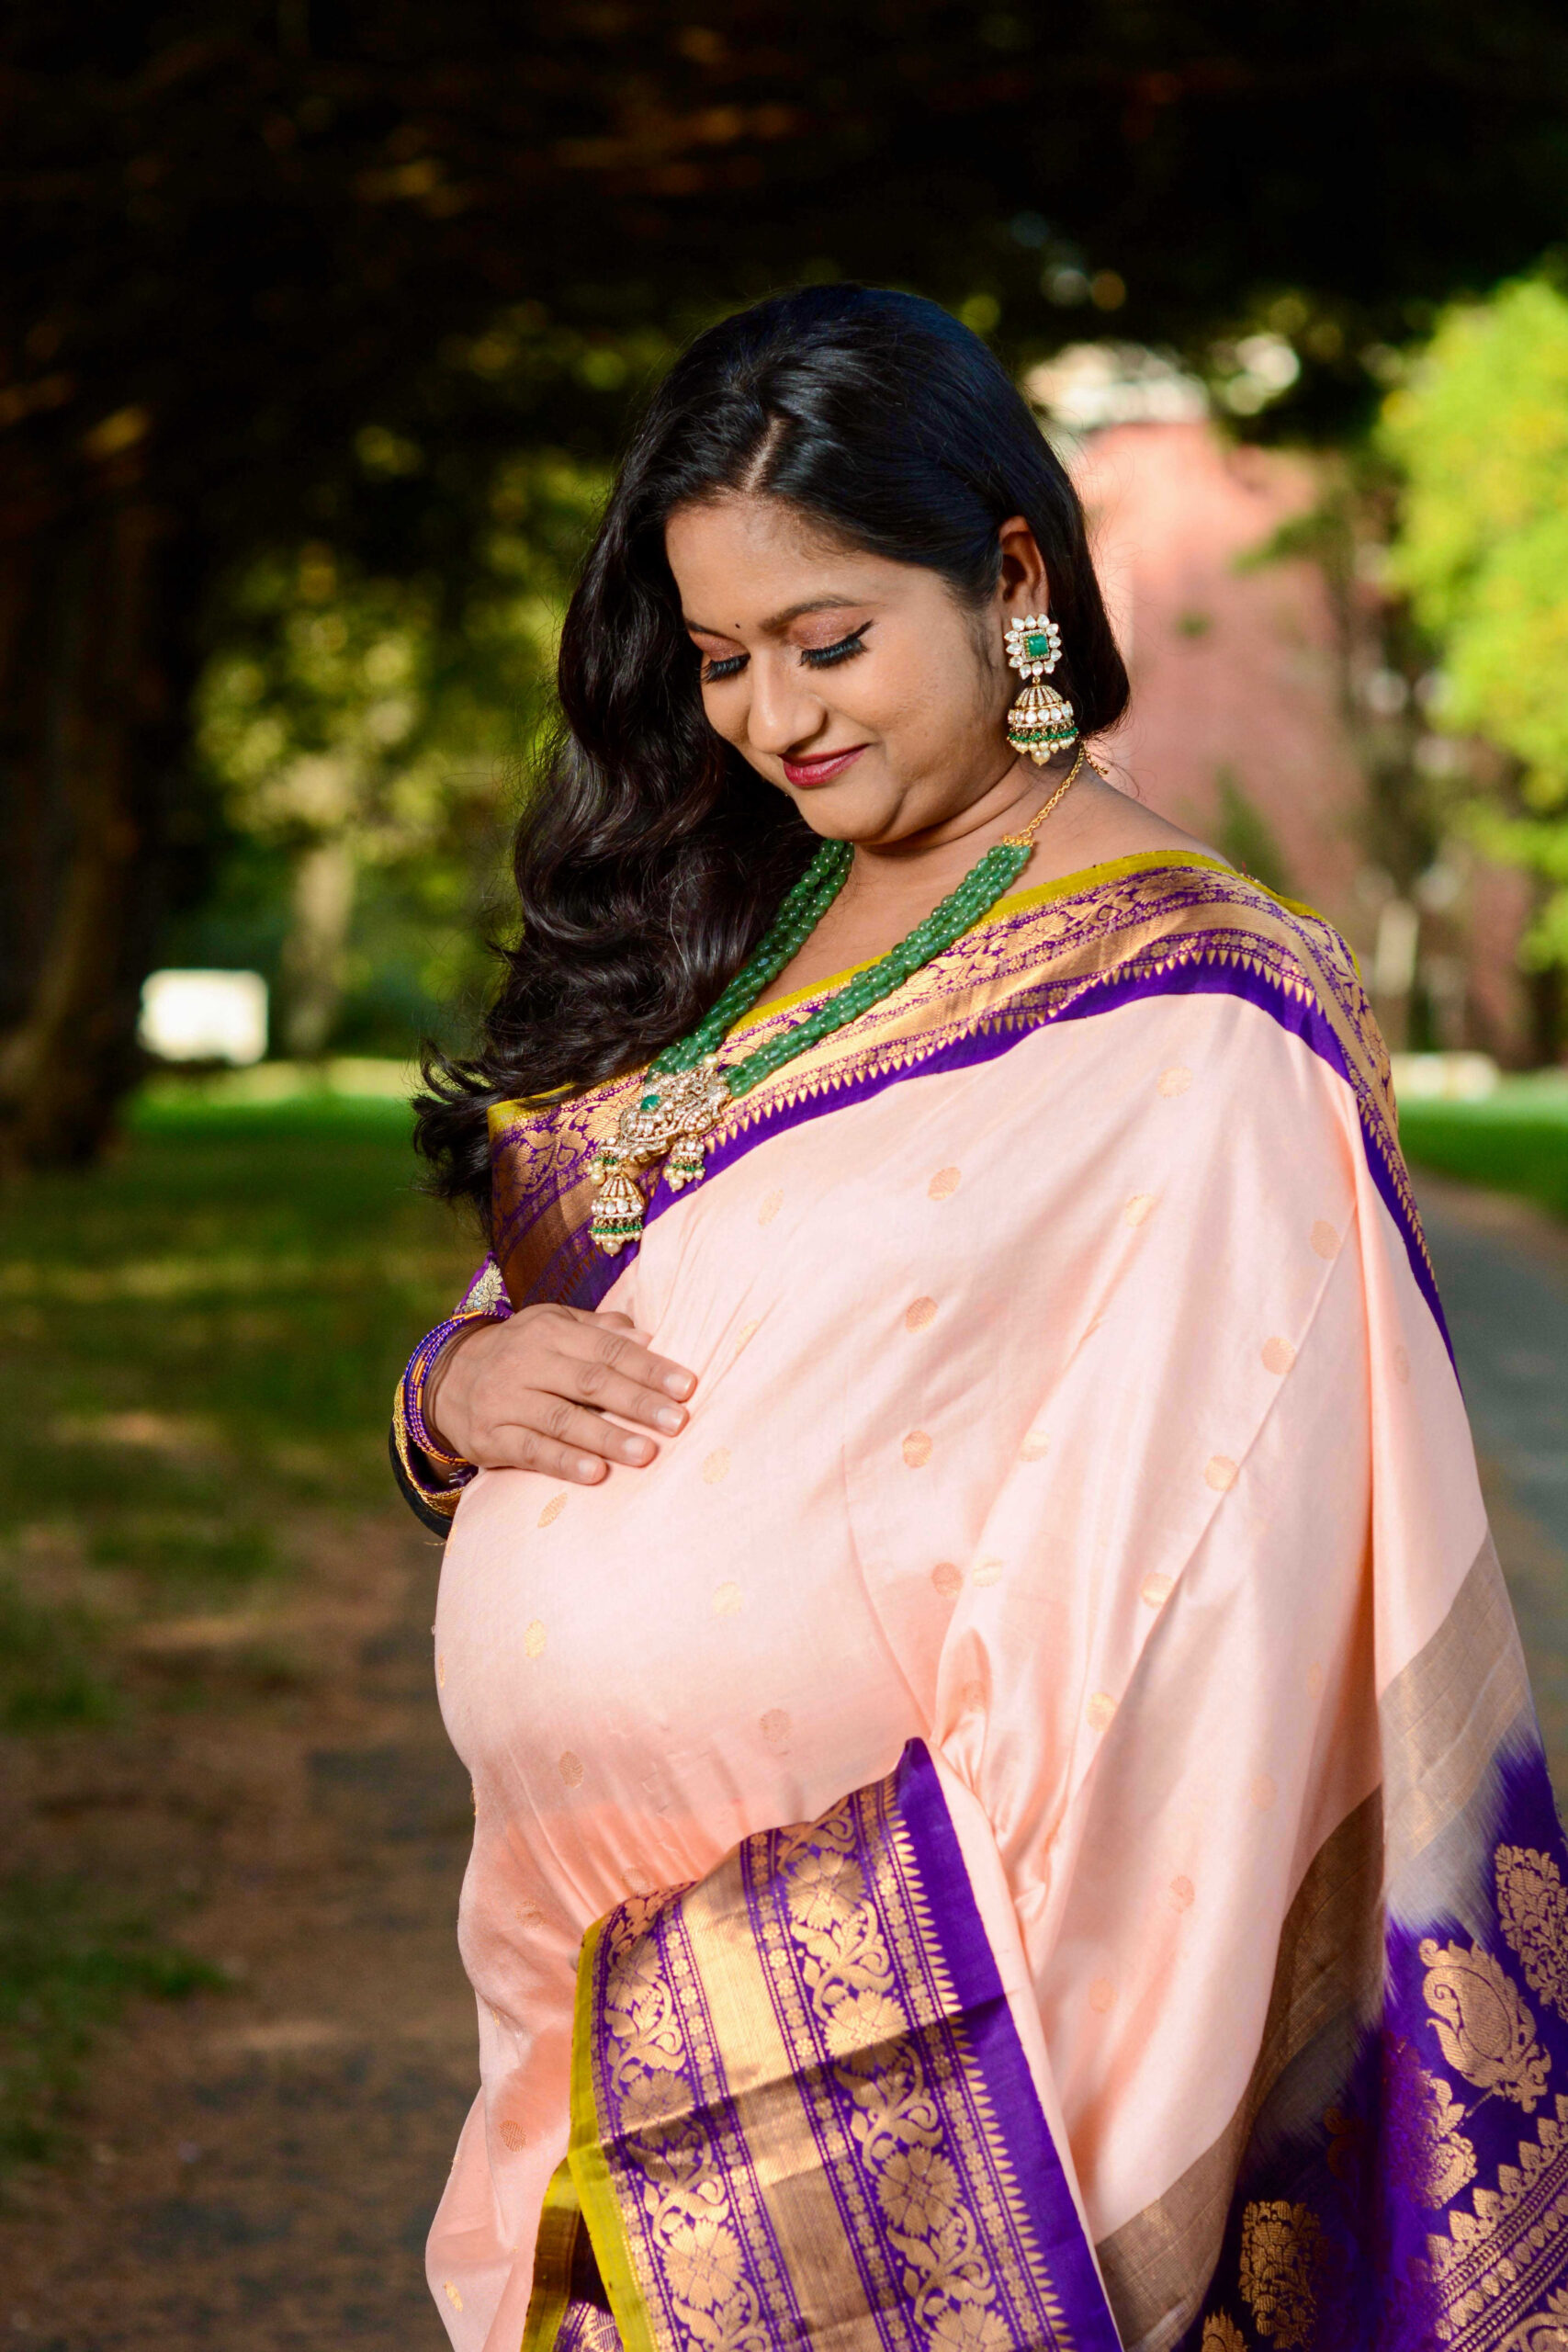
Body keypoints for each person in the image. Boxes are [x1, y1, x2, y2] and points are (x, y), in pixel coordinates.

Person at [395, 285, 1568, 2352]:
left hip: (906, 2015)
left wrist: (803, 1993)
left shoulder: (1193, 1012)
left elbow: (1200, 1619)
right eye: (721, 659)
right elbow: (544, 1285)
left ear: (1008, 578)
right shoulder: (736, 918)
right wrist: (453, 1386)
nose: (772, 718)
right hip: (578, 1984)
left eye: (828, 642)